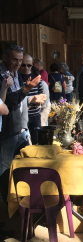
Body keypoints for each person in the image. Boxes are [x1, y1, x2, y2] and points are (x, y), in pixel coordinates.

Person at [0, 45, 40, 202]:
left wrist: (28, 98)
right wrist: (26, 90)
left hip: (20, 129)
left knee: (24, 166)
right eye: (15, 60)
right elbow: (6, 103)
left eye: (20, 60)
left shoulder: (14, 73)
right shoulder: (2, 75)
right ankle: (8, 206)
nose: (18, 64)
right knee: (5, 170)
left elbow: (18, 101)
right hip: (7, 132)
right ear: (5, 57)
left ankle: (22, 200)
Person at [19, 53, 46, 144]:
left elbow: (41, 96)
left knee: (37, 141)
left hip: (35, 115)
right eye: (23, 65)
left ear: (32, 65)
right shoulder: (16, 78)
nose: (26, 68)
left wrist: (40, 101)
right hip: (21, 117)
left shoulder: (37, 77)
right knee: (23, 143)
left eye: (29, 65)